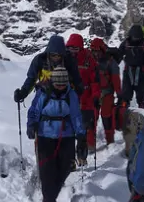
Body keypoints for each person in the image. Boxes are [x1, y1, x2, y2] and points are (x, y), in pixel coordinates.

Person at [26, 66, 87, 202]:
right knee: (47, 172)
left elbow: (76, 116)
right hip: (45, 136)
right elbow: (34, 110)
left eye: (63, 84)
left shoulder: (71, 95)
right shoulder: (43, 93)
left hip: (67, 137)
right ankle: (49, 198)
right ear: (52, 82)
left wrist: (81, 137)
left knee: (64, 169)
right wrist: (31, 124)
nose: (60, 87)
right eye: (58, 84)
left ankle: (50, 195)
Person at [14, 35, 84, 104]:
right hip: (43, 94)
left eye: (59, 55)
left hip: (64, 96)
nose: (56, 57)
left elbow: (76, 79)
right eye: (53, 55)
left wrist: (78, 91)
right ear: (48, 52)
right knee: (35, 113)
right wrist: (23, 93)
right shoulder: (39, 60)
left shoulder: (69, 61)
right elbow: (31, 79)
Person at [65, 33, 101, 162]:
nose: (72, 51)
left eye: (75, 48)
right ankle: (69, 160)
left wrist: (96, 96)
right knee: (68, 131)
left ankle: (82, 156)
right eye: (70, 48)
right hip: (69, 100)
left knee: (83, 130)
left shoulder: (88, 59)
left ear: (81, 47)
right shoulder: (64, 59)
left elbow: (95, 81)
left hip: (86, 101)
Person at [113, 24, 144, 125]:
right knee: (125, 96)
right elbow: (119, 56)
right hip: (128, 72)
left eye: (138, 37)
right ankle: (121, 119)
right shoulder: (126, 43)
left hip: (142, 72)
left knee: (141, 96)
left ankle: (142, 118)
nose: (136, 39)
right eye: (135, 37)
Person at [90, 37, 121, 146]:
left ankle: (110, 140)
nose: (95, 54)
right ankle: (90, 143)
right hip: (93, 92)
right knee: (91, 116)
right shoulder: (90, 61)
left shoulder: (111, 62)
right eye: (93, 51)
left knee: (106, 116)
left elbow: (116, 80)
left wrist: (120, 95)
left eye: (97, 51)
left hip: (107, 92)